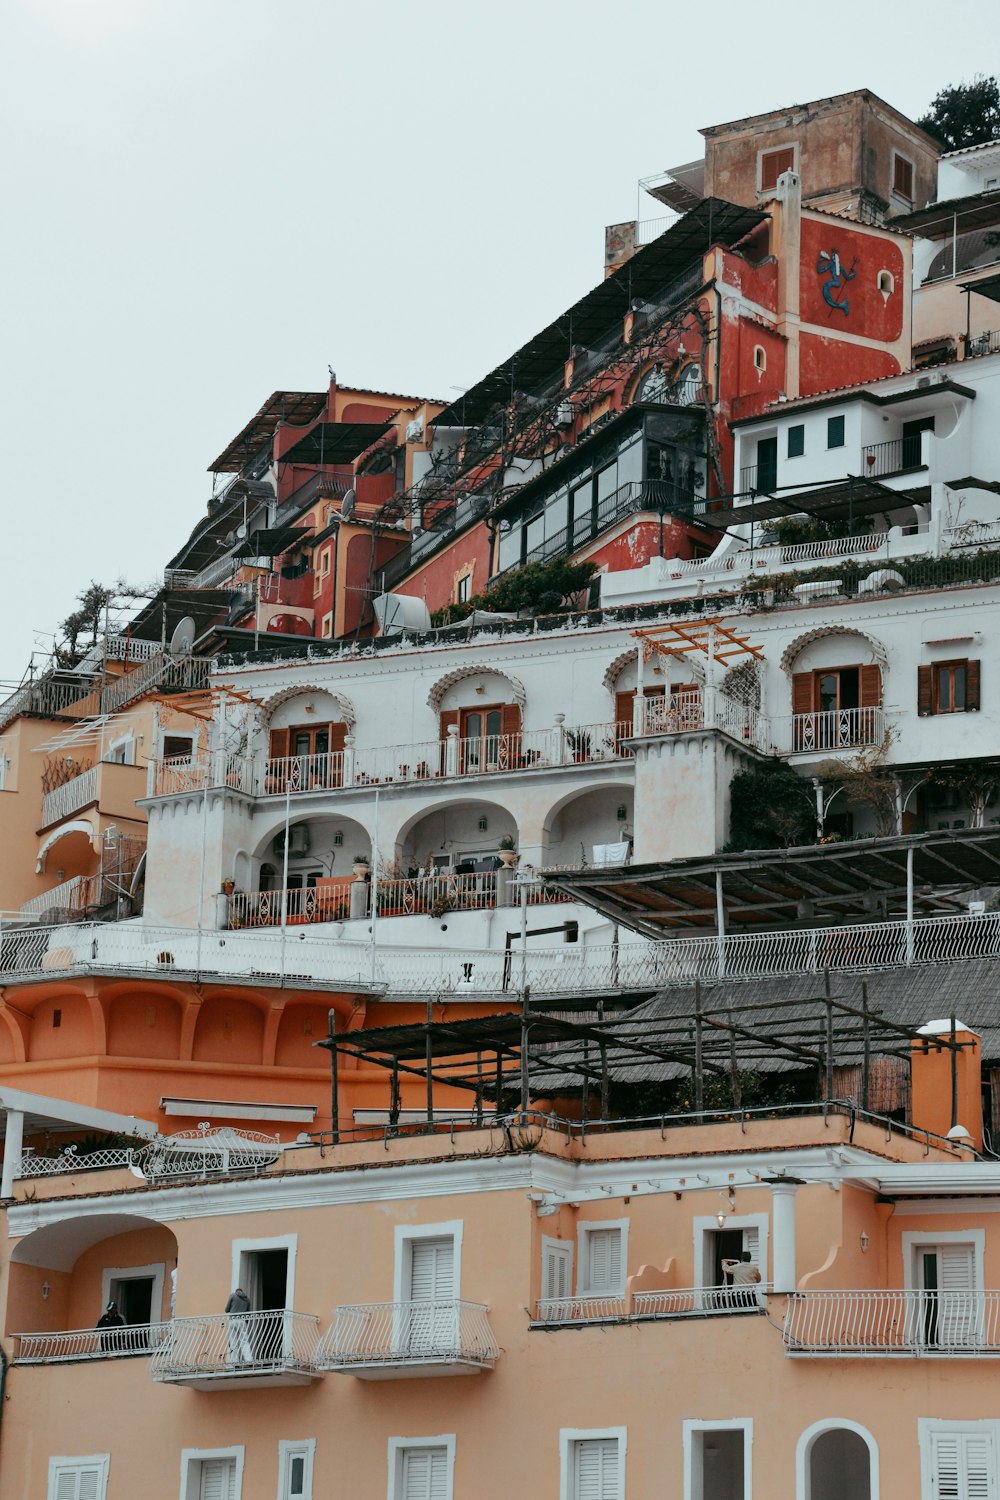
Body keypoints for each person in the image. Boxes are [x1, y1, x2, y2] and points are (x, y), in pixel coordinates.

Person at [225, 1286, 253, 1363]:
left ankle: (234, 1361)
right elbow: (248, 1313)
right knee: (244, 1341)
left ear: (236, 1291)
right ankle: (249, 1359)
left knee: (233, 1341)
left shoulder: (233, 1296)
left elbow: (226, 1309)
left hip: (233, 1320)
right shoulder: (247, 1299)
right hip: (242, 1321)